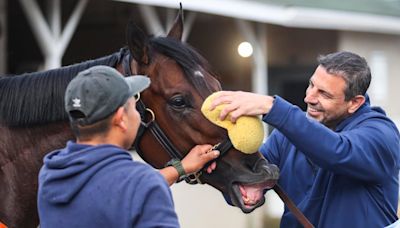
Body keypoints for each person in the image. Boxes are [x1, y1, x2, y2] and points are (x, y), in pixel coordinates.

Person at [210, 51, 400, 227]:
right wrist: (243, 186)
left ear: (354, 103)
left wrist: (272, 107)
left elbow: (338, 152)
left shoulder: (382, 134)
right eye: (311, 85)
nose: (309, 97)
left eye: (324, 93)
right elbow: (247, 173)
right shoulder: (285, 136)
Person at [37, 65, 219, 228]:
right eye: (133, 107)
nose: (138, 116)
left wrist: (181, 168)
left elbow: (111, 189)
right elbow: (128, 188)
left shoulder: (51, 173)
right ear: (120, 119)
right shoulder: (142, 186)